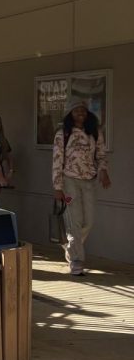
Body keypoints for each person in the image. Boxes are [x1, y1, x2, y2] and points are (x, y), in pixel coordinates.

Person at [52, 100, 111, 275]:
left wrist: (103, 171)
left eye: (83, 111)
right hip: (69, 181)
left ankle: (71, 244)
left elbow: (100, 154)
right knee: (74, 220)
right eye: (76, 110)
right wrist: (57, 186)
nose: (80, 113)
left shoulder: (94, 132)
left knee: (89, 221)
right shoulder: (63, 133)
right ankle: (76, 261)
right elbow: (57, 160)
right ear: (70, 113)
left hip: (89, 181)